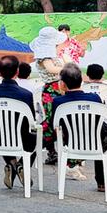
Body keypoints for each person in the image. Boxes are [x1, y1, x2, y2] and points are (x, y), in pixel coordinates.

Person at [49, 63, 107, 188]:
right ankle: (102, 182)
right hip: (95, 142)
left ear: (63, 84)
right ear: (81, 81)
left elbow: (55, 125)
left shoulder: (58, 102)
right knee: (99, 134)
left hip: (70, 143)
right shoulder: (95, 98)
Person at [0, 55, 37, 189]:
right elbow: (31, 120)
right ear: (17, 72)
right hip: (22, 138)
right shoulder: (26, 94)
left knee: (4, 136)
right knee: (36, 140)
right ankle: (20, 166)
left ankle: (12, 164)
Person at [30, 27, 66, 165]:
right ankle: (40, 150)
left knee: (56, 122)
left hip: (59, 88)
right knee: (51, 122)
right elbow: (51, 69)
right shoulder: (44, 57)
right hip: (52, 90)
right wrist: (68, 69)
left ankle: (53, 152)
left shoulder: (52, 55)